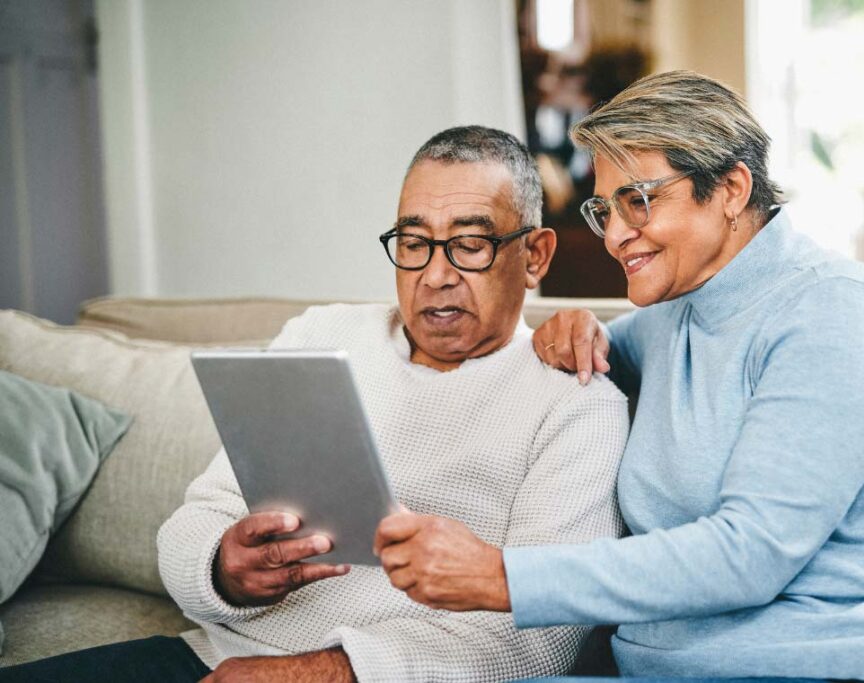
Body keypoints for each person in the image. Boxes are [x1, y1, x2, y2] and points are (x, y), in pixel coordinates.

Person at [374, 72, 864, 683]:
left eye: (640, 201)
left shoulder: (836, 309)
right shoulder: (671, 316)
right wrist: (572, 329)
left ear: (731, 189)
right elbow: (571, 361)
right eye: (605, 209)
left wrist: (501, 576)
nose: (616, 236)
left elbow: (749, 556)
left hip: (852, 662)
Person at [0, 126, 628, 683]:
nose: (435, 275)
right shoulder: (321, 337)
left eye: (469, 245)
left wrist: (321, 674)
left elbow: (547, 638)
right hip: (215, 658)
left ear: (535, 256)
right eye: (413, 244)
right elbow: (194, 521)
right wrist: (224, 568)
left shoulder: (574, 400)